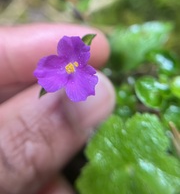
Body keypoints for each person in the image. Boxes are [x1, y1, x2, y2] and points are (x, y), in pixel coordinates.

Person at [0, 23, 115, 194]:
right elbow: (48, 74)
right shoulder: (61, 68)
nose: (70, 67)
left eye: (72, 65)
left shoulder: (79, 63)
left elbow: (83, 82)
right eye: (69, 66)